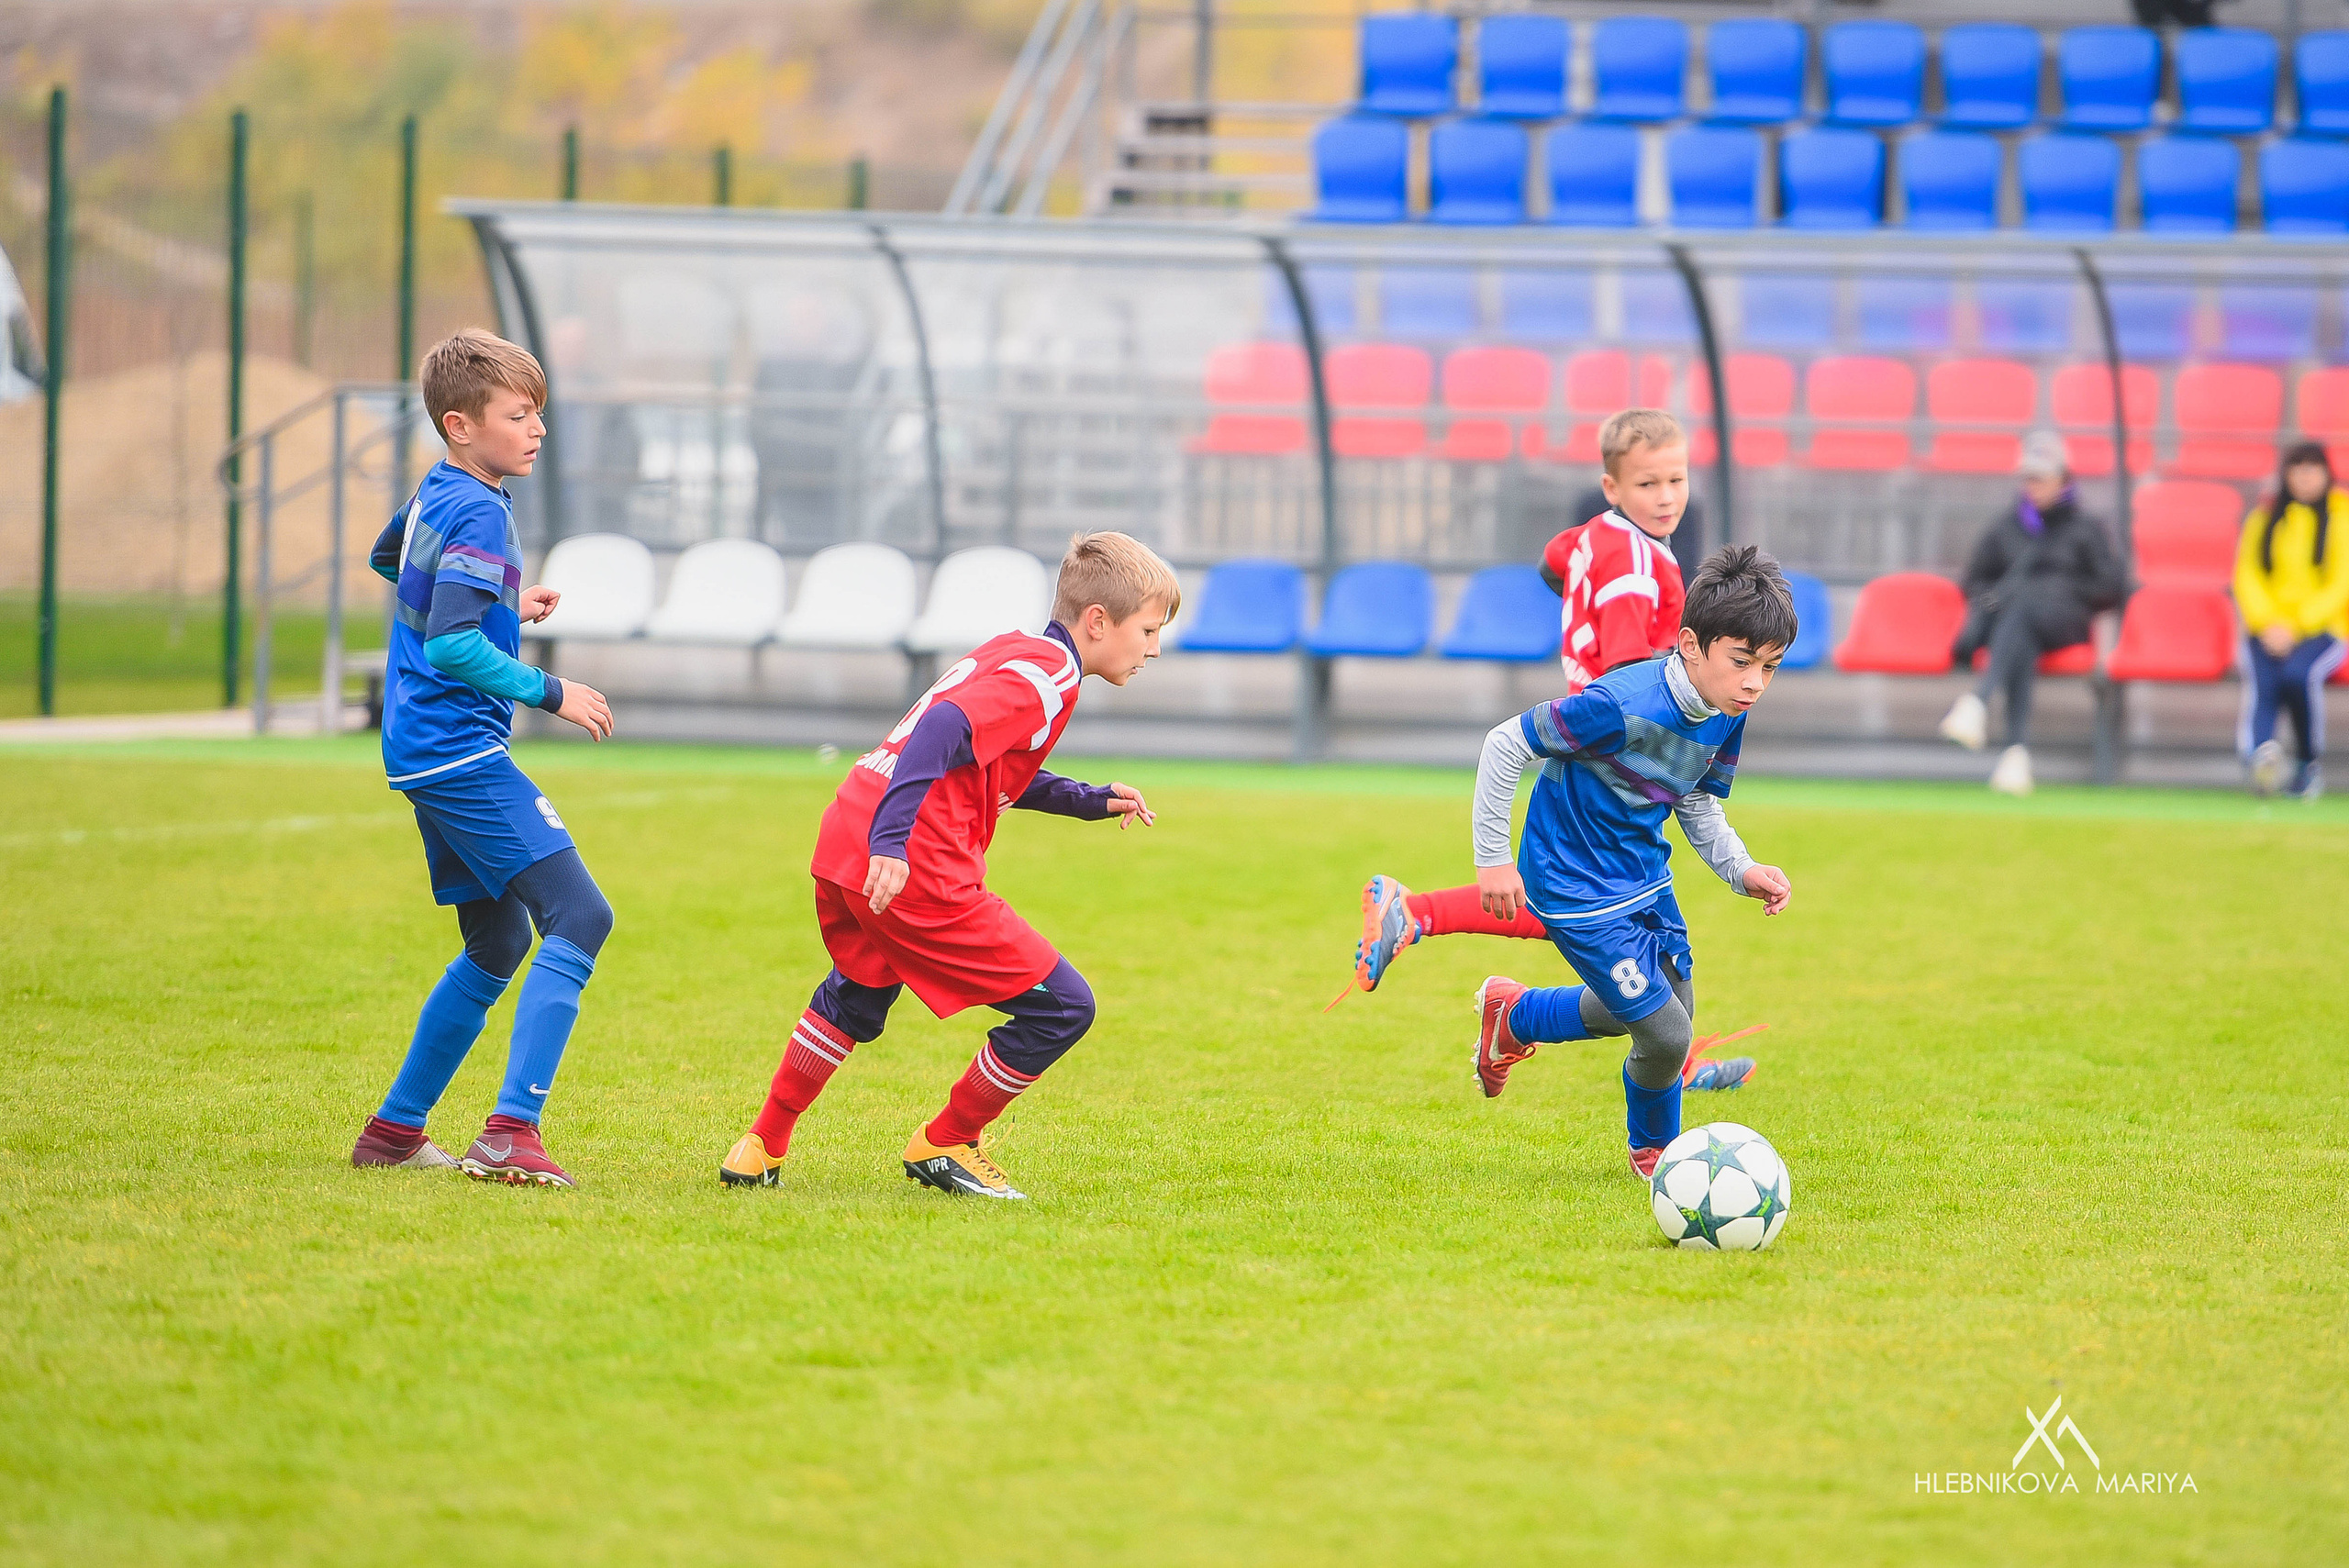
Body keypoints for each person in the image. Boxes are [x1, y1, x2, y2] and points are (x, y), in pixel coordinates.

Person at [718, 532, 1177, 1200]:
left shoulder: (1016, 651)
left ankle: (760, 1146)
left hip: (848, 827)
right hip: (911, 858)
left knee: (859, 986)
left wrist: (1088, 799)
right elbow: (942, 730)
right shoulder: (1049, 676)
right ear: (1099, 621)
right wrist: (895, 841)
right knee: (1064, 1007)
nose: (1155, 648)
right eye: (1149, 629)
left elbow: (984, 758)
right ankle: (948, 1140)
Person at [1346, 550, 1798, 1162]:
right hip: (1573, 880)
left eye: (1769, 668)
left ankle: (1516, 1015)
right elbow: (1505, 742)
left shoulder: (1726, 711)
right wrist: (1493, 861)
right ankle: (1659, 1159)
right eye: (1742, 662)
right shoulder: (1619, 705)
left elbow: (1695, 801)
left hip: (1643, 875)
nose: (1755, 682)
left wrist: (1741, 868)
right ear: (1691, 644)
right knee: (1666, 1036)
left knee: (1666, 1016)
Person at [350, 328, 618, 1187]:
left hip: (422, 748)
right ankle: (511, 1131)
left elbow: (389, 558)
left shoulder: (440, 489)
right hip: (458, 750)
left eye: (539, 412)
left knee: (500, 938)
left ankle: (393, 1130)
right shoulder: (477, 508)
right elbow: (452, 648)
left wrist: (505, 597)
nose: (537, 428)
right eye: (518, 414)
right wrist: (550, 690)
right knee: (581, 916)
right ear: (461, 424)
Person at [1938, 432, 2127, 797]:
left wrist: (2065, 592)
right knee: (2019, 631)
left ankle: (1978, 701)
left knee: (2021, 612)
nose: (2033, 486)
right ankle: (2015, 755)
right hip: (2017, 621)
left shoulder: (2086, 528)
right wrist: (1996, 597)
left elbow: (2111, 586)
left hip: (2067, 620)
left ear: (2063, 479)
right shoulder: (2005, 526)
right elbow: (1976, 579)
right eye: (2029, 478)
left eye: (2041, 477)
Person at [1544, 409, 1690, 694]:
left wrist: (1594, 612)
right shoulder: (1632, 563)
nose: (1666, 498)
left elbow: (1549, 564)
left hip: (1586, 697)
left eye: (1676, 480)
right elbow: (1628, 672)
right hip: (1622, 719)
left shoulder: (1599, 528)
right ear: (1612, 489)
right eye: (1647, 484)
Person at [2235, 440, 2349, 799]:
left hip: (2322, 630)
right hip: (2268, 629)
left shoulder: (2341, 516)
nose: (2305, 477)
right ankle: (2261, 760)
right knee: (2263, 680)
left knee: (2299, 675)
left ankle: (2306, 762)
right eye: (2297, 468)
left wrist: (2298, 625)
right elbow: (2247, 574)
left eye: (2313, 468)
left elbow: (2340, 581)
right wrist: (2268, 622)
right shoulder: (2265, 518)